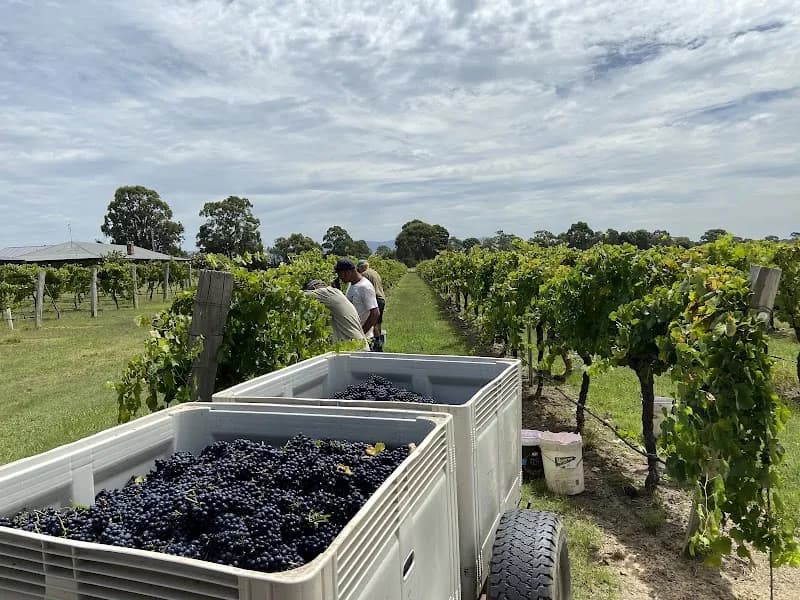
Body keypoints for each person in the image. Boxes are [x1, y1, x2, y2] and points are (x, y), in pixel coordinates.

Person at [303, 279, 370, 350]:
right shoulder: (336, 294)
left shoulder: (326, 293)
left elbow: (298, 295)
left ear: (314, 289)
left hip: (355, 351)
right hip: (358, 348)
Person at [333, 259, 380, 348]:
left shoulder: (365, 287)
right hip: (355, 337)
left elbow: (375, 313)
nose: (339, 278)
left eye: (340, 274)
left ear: (347, 272)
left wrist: (361, 334)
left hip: (364, 339)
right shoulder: (352, 285)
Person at [357, 259, 386, 350]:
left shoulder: (364, 275)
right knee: (379, 322)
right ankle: (380, 341)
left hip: (375, 299)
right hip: (381, 298)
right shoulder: (375, 273)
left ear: (361, 267)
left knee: (373, 322)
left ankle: (377, 343)